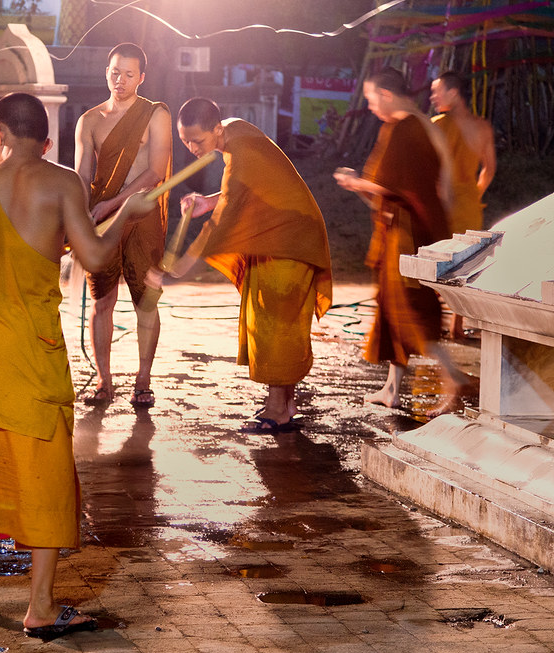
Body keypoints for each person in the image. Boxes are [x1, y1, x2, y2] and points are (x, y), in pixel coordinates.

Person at [0, 93, 155, 638]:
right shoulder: (62, 183)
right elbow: (96, 258)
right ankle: (41, 607)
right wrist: (128, 213)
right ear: (45, 140)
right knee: (48, 475)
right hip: (34, 354)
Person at [161, 98, 333, 432]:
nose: (193, 147)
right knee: (277, 322)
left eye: (198, 140)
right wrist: (209, 200)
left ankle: (278, 408)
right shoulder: (236, 128)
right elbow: (240, 192)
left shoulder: (240, 154)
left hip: (289, 240)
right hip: (282, 235)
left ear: (216, 129)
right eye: (186, 140)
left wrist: (182, 268)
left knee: (273, 325)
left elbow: (224, 220)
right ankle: (284, 402)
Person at [335, 67, 467, 412]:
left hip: (407, 237)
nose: (370, 106)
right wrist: (364, 187)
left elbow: (397, 189)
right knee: (392, 311)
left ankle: (453, 378)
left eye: (371, 98)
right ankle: (392, 389)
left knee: (412, 314)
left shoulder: (407, 130)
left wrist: (356, 182)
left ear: (387, 95)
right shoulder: (419, 125)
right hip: (406, 230)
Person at [74, 42, 173, 407]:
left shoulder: (155, 114)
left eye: (129, 74)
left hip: (141, 214)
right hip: (100, 217)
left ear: (142, 78)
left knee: (146, 301)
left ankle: (143, 380)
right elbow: (82, 173)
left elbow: (155, 171)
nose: (121, 80)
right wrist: (80, 211)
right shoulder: (90, 120)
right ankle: (104, 381)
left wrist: (115, 204)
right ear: (106, 72)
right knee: (102, 301)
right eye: (115, 72)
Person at [430, 71, 496, 338]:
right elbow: (489, 169)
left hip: (441, 203)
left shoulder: (436, 125)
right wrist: (474, 194)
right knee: (464, 264)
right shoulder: (482, 127)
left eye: (437, 91)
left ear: (453, 93)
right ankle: (457, 324)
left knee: (435, 261)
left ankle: (434, 321)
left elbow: (429, 169)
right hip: (468, 203)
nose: (433, 97)